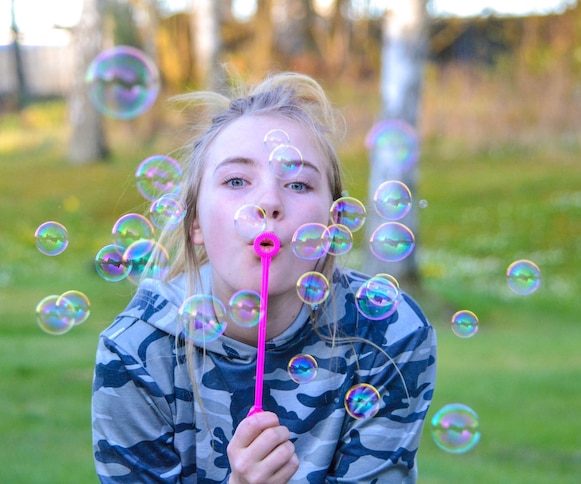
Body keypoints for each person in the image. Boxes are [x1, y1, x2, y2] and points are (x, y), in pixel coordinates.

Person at [92, 72, 437, 483]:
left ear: (333, 220)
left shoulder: (388, 333)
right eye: (236, 180)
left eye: (298, 183)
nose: (269, 202)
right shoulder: (135, 351)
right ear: (194, 222)